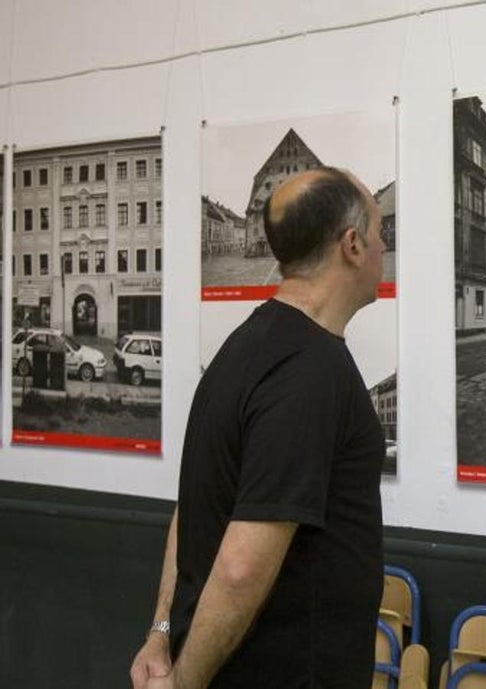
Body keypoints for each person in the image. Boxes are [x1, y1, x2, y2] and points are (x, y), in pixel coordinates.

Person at [130, 167, 386, 689]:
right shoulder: (310, 370)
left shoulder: (240, 348)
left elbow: (195, 507)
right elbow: (241, 568)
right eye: (381, 234)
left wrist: (161, 631)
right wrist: (183, 685)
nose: (384, 248)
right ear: (353, 245)